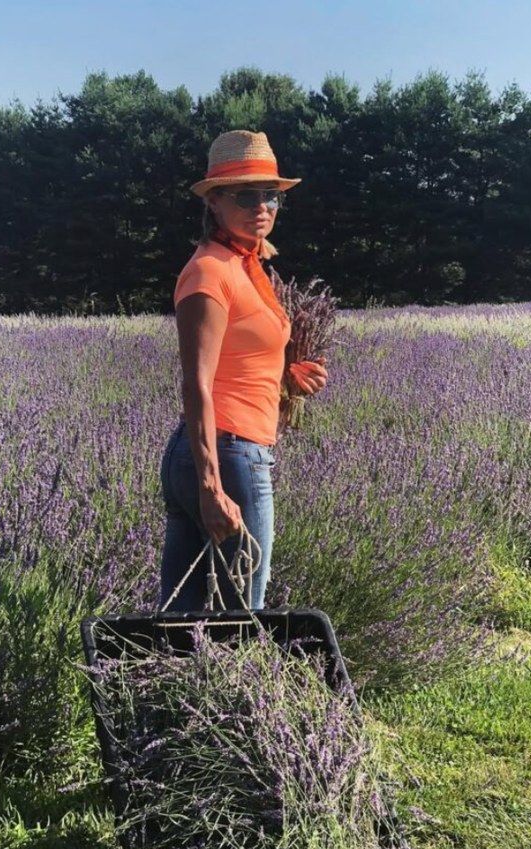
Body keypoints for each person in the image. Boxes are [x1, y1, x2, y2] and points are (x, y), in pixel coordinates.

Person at [159, 130, 327, 612]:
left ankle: (169, 690)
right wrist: (212, 487)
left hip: (218, 451)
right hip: (227, 455)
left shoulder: (246, 265)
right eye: (246, 196)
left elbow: (245, 359)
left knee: (182, 619)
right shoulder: (210, 272)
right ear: (214, 202)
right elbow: (197, 382)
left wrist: (288, 378)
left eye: (270, 197)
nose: (262, 207)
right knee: (240, 616)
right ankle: (230, 691)